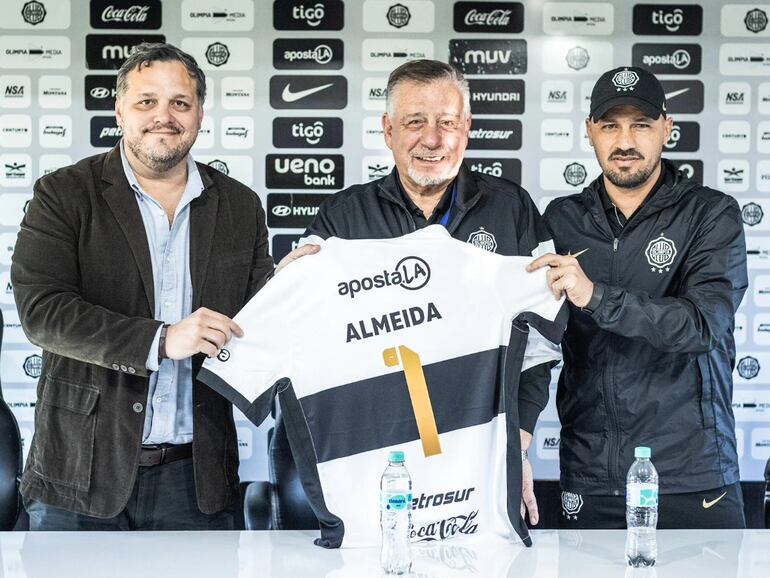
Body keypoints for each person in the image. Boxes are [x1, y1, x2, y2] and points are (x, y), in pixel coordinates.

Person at [11, 43, 273, 530]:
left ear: (199, 115)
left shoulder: (240, 206)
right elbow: (43, 312)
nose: (164, 117)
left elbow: (261, 314)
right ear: (120, 111)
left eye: (180, 103)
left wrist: (298, 286)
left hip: (196, 481)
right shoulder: (64, 193)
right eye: (147, 101)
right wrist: (161, 340)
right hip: (79, 475)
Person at [282, 59, 556, 526]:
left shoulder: (513, 210)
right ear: (388, 130)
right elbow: (305, 340)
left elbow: (542, 336)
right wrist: (287, 291)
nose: (433, 139)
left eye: (447, 122)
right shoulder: (341, 220)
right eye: (415, 122)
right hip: (373, 457)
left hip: (480, 455)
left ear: (466, 127)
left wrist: (519, 440)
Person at [528, 66, 748, 528]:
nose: (625, 141)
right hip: (589, 474)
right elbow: (534, 339)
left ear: (667, 128)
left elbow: (704, 326)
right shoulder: (561, 219)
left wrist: (595, 296)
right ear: (589, 131)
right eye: (610, 125)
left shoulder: (711, 214)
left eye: (641, 125)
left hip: (692, 475)